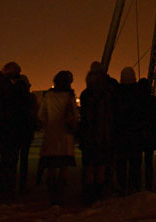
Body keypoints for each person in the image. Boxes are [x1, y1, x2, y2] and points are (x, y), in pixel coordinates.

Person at [38, 70, 79, 205]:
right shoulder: (69, 96)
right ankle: (60, 195)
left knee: (50, 167)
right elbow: (75, 116)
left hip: (51, 136)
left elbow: (42, 116)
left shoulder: (48, 96)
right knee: (63, 168)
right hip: (65, 137)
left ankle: (51, 195)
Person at [79, 65, 113, 204]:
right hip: (101, 137)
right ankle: (99, 194)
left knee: (89, 167)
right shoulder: (106, 96)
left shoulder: (85, 95)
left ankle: (89, 195)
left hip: (87, 136)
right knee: (100, 167)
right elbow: (108, 118)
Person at [0, 62, 30, 202]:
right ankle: (8, 189)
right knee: (10, 161)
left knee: (5, 161)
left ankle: (3, 188)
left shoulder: (1, 87)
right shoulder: (18, 89)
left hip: (4, 129)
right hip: (14, 130)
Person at [113, 67, 144, 196]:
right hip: (135, 134)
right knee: (135, 163)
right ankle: (133, 186)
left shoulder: (117, 94)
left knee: (121, 163)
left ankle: (122, 187)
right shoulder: (138, 94)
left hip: (121, 134)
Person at [138, 78, 156, 191]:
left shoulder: (136, 102)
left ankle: (137, 185)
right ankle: (149, 184)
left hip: (138, 135)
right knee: (149, 161)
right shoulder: (154, 102)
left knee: (137, 162)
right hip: (150, 134)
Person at [18, 74, 39, 194]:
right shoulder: (31, 98)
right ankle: (22, 183)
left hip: (15, 131)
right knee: (24, 158)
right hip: (27, 130)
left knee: (11, 157)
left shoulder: (12, 96)